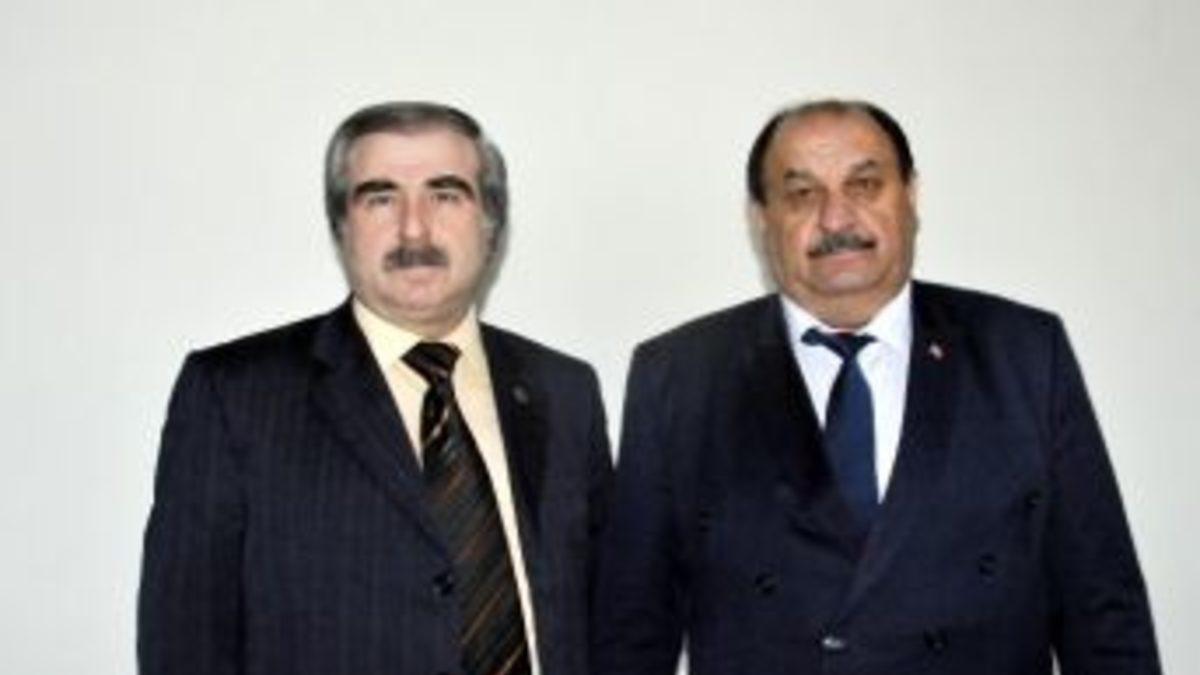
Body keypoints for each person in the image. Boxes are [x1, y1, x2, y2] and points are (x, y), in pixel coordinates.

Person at [592, 99, 1160, 674]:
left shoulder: (1024, 355)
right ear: (761, 219)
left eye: (864, 185)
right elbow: (631, 635)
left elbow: (1104, 614)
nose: (836, 219)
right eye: (802, 194)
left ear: (910, 197)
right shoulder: (681, 377)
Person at [138, 101, 613, 675]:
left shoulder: (565, 392)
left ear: (492, 223)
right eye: (381, 198)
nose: (414, 229)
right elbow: (185, 644)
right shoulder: (234, 396)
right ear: (341, 226)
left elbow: (608, 618)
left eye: (446, 195)